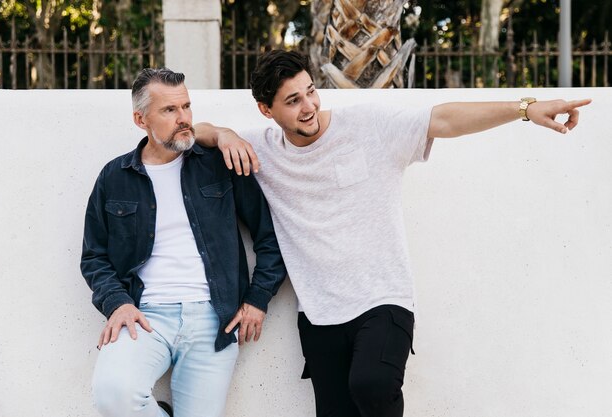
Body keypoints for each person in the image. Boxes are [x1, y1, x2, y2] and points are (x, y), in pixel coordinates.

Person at [193, 50, 591, 417]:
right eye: (293, 100)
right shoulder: (262, 149)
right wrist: (225, 134)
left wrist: (525, 108)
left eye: (310, 92)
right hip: (319, 314)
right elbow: (197, 131)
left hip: (383, 300)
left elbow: (444, 118)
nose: (309, 106)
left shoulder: (368, 126)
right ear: (266, 110)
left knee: (373, 384)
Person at [80, 68, 286, 417]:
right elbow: (94, 257)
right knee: (113, 395)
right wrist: (118, 303)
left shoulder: (219, 164)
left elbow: (272, 236)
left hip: (213, 318)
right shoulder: (115, 177)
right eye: (170, 110)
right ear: (140, 119)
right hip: (144, 317)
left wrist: (258, 299)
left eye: (186, 106)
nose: (184, 119)